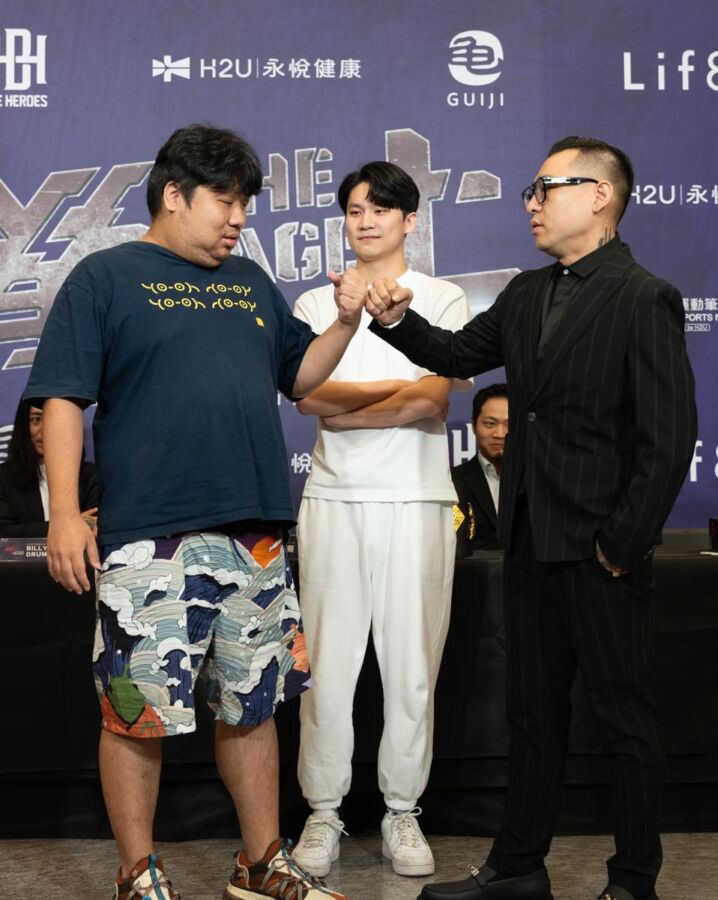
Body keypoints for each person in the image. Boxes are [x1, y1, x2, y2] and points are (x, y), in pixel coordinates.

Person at [22, 123, 365, 900]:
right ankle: (137, 871)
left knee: (254, 705)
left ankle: (261, 863)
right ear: (173, 194)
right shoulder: (105, 278)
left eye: (245, 203)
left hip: (256, 532)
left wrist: (346, 323)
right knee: (135, 710)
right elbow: (64, 398)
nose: (239, 218)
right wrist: (65, 513)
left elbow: (301, 375)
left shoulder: (248, 282)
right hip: (152, 534)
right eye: (225, 200)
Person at [364, 137, 697, 900]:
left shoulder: (643, 296)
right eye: (531, 192)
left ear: (601, 195)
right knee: (531, 715)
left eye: (547, 189)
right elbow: (455, 352)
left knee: (623, 720)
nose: (533, 205)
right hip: (529, 539)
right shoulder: (525, 292)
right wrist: (395, 319)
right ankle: (518, 868)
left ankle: (633, 881)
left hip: (600, 551)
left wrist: (622, 544)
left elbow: (669, 435)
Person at [291, 161, 471, 879]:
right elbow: (309, 398)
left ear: (409, 220)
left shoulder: (442, 296)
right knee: (327, 669)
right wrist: (396, 389)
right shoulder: (316, 302)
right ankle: (323, 812)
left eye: (381, 209)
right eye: (355, 210)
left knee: (412, 668)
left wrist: (353, 402)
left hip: (418, 499)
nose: (366, 221)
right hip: (333, 500)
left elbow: (434, 399)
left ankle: (402, 811)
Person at [0, 398, 97, 537]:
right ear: (24, 426)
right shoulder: (3, 477)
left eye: (56, 419)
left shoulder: (92, 476)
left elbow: (95, 527)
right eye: (37, 419)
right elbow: (3, 532)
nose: (46, 430)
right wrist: (68, 525)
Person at [451, 383, 508, 556]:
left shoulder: (540, 480)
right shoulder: (452, 481)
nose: (500, 434)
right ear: (474, 426)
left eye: (509, 424)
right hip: (473, 572)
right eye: (490, 424)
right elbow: (456, 546)